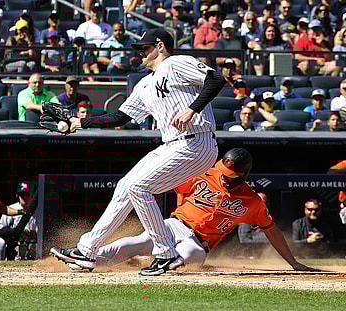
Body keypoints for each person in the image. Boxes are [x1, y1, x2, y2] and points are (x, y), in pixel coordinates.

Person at [50, 28, 225, 276]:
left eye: (145, 47)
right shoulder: (144, 84)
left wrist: (192, 109)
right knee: (125, 186)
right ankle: (86, 250)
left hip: (197, 142)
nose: (141, 52)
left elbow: (216, 79)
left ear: (161, 45)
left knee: (139, 188)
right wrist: (79, 123)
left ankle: (166, 253)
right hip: (173, 144)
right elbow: (120, 116)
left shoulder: (176, 63)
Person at [80, 148, 315, 272]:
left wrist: (292, 262)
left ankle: (155, 262)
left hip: (197, 243)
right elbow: (180, 188)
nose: (224, 178)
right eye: (223, 171)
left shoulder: (251, 202)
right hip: (174, 225)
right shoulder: (207, 172)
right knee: (137, 242)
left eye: (231, 176)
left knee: (193, 255)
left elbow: (271, 231)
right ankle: (88, 258)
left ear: (244, 175)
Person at [0, 181, 38, 260]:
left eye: (27, 194)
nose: (25, 197)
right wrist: (16, 230)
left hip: (34, 248)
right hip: (16, 248)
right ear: (17, 195)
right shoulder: (11, 209)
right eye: (22, 195)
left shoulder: (39, 210)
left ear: (32, 195)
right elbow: (0, 231)